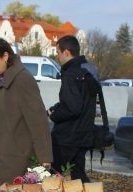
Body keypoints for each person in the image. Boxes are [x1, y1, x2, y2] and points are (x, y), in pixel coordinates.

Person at [0, 38, 52, 190]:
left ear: (5, 56)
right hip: (0, 152)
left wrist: (44, 158)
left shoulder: (23, 80)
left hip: (19, 156)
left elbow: (38, 120)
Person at [48, 35, 100, 183]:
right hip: (84, 135)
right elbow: (82, 103)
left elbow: (72, 108)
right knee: (79, 176)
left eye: (58, 52)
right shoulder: (88, 72)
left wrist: (53, 115)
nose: (57, 57)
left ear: (66, 52)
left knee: (53, 177)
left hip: (66, 137)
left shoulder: (70, 74)